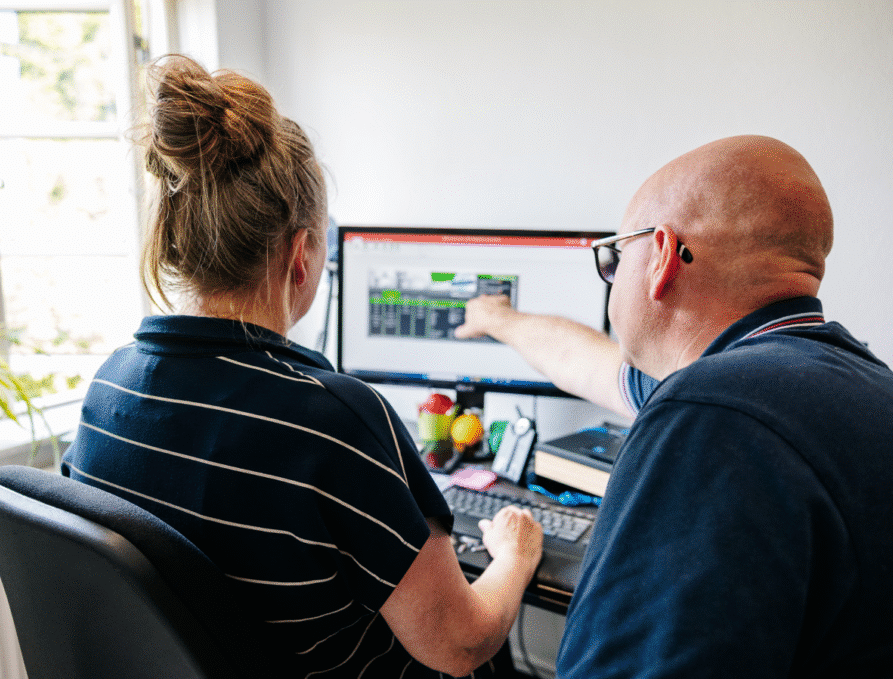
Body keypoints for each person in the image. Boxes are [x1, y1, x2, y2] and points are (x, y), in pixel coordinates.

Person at [61, 55, 543, 678]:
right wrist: (515, 553)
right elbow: (461, 644)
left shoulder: (108, 389)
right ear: (302, 254)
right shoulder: (334, 420)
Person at [462, 135, 893, 677]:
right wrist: (499, 320)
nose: (612, 277)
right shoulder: (859, 390)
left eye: (614, 257)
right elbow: (589, 365)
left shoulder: (712, 410)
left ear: (662, 256)